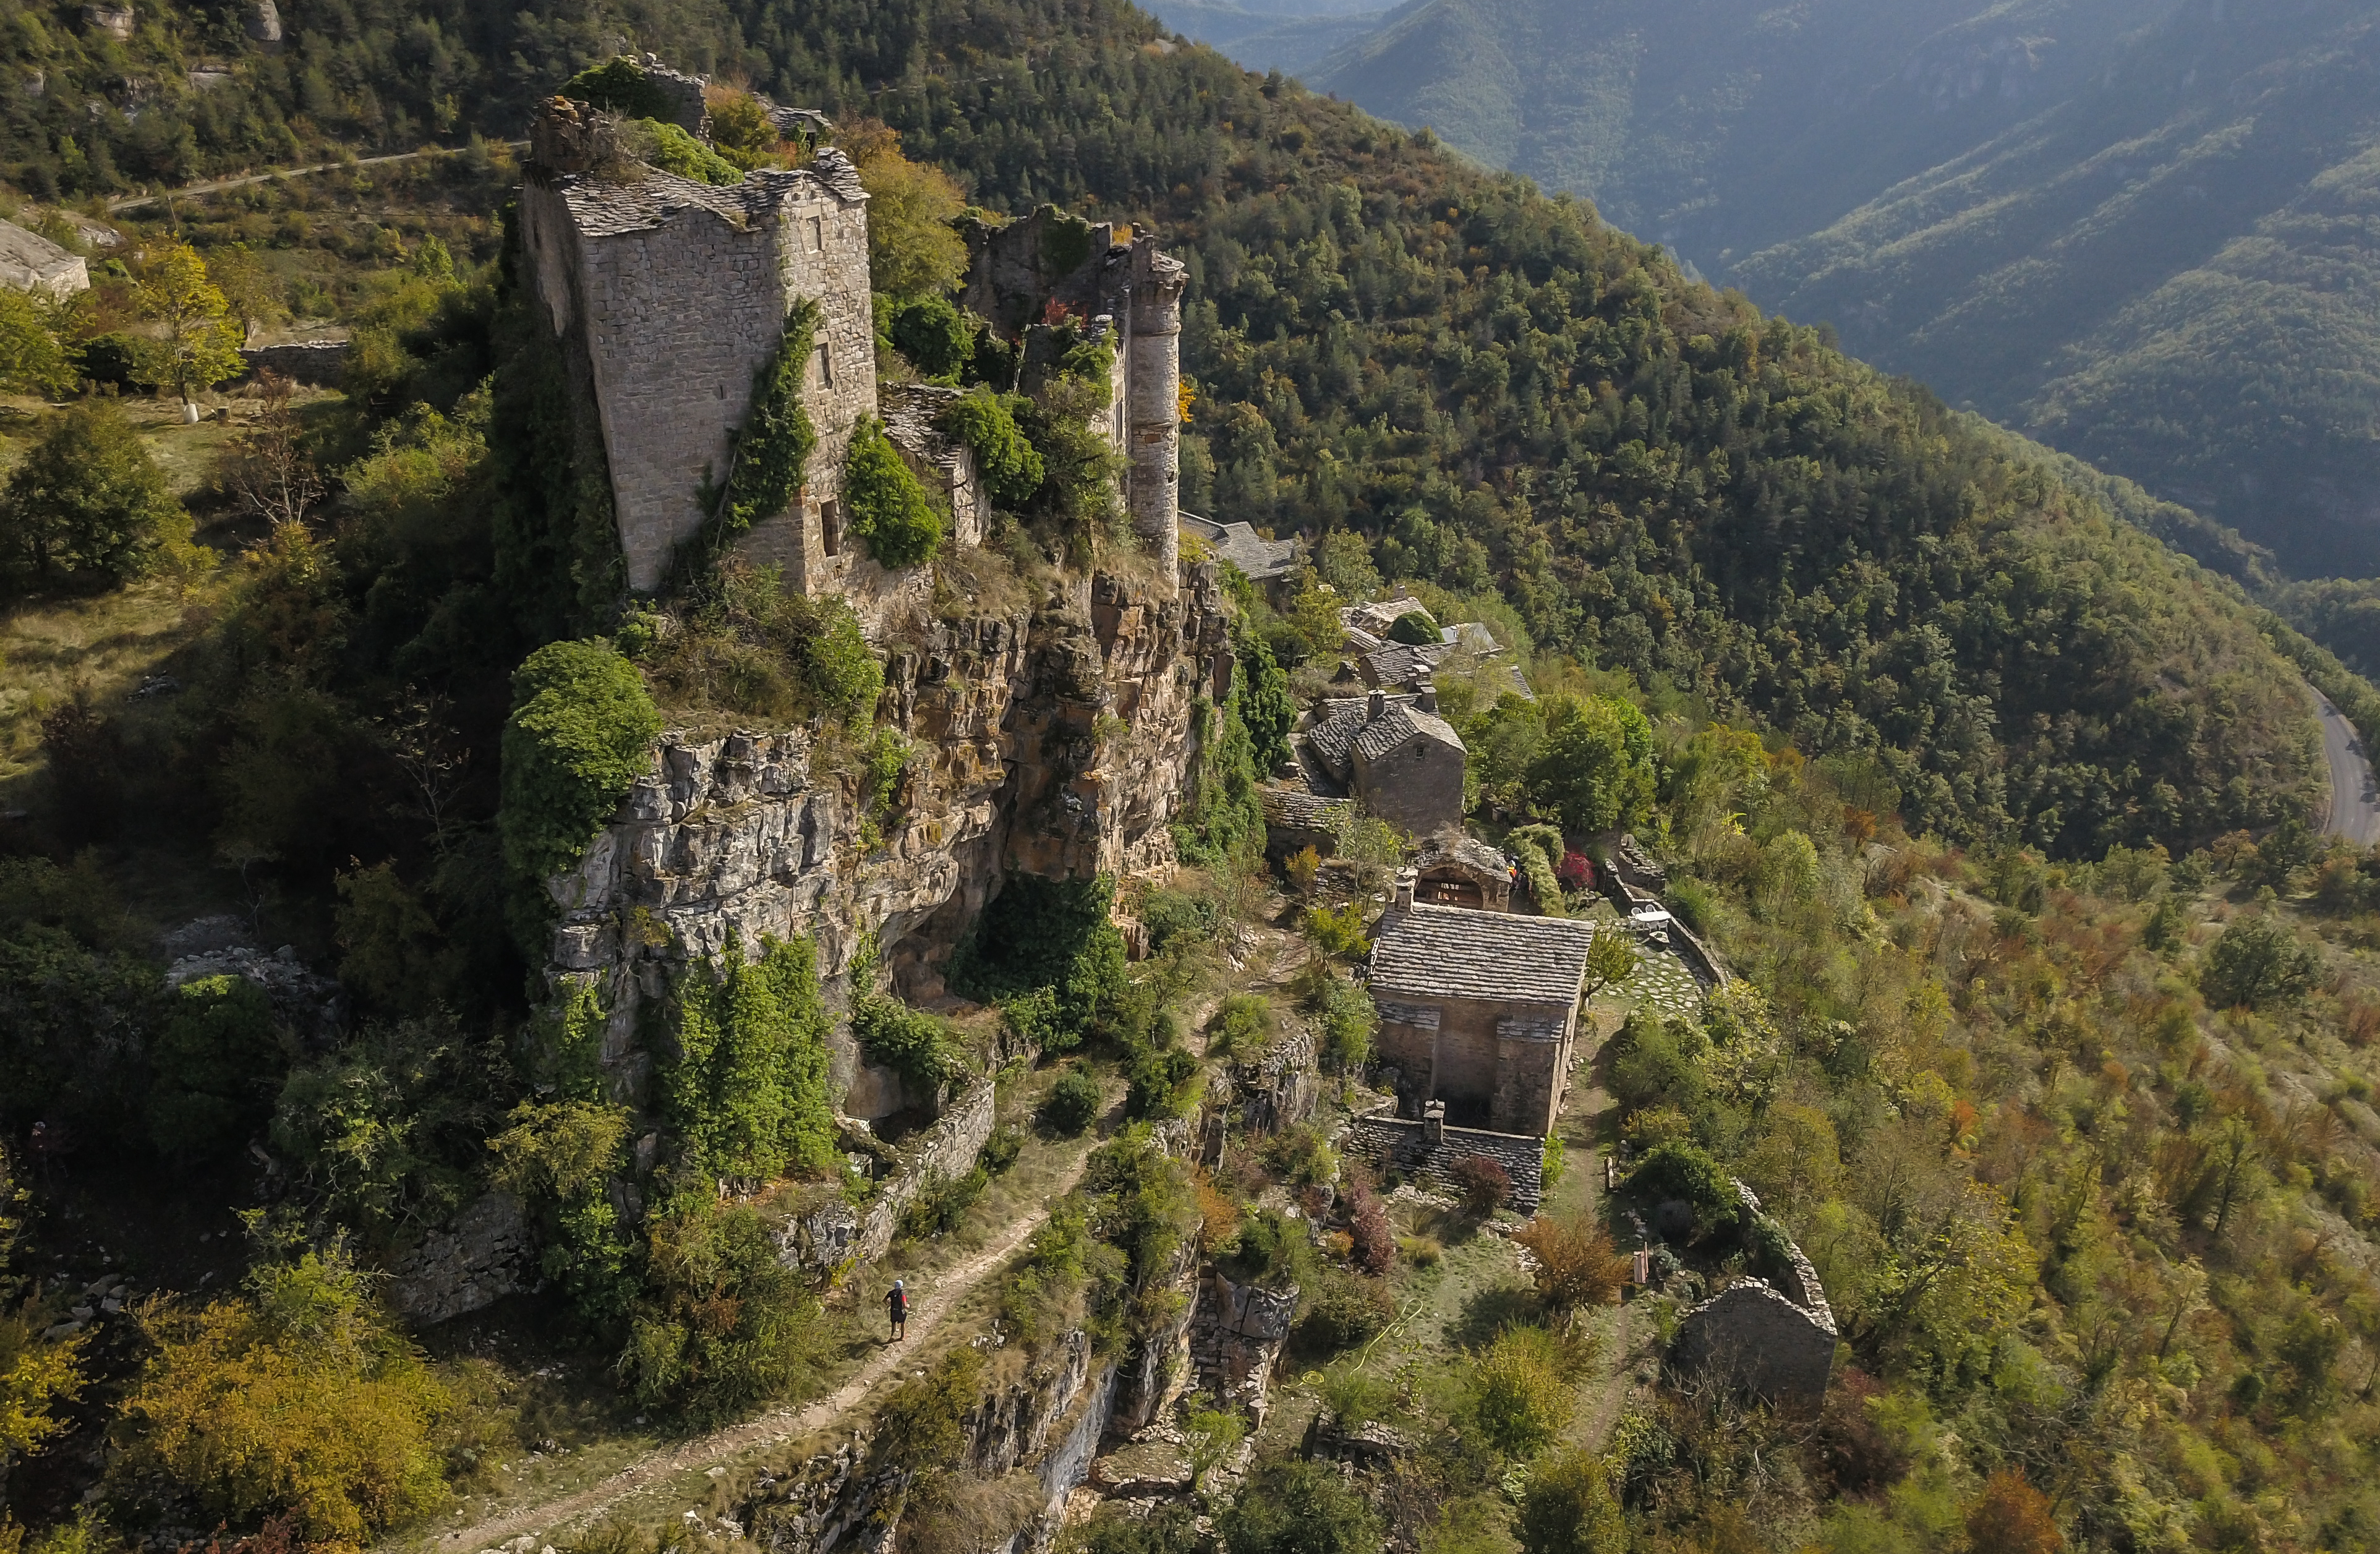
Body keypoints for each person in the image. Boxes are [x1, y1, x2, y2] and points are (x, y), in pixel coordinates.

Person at [887, 1278, 908, 1343]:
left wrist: (889, 1304)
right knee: (902, 1323)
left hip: (893, 1311)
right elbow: (905, 1305)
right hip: (900, 1312)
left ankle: (892, 1337)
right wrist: (908, 1306)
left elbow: (884, 1300)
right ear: (901, 1286)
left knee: (893, 1323)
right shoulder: (902, 1294)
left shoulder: (891, 1293)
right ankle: (902, 1337)